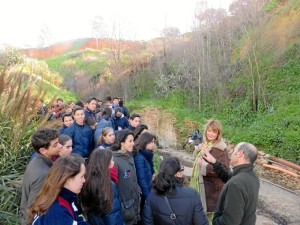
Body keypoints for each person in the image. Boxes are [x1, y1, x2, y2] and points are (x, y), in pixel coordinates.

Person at [202, 142, 260, 225]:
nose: (231, 153)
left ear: (240, 154)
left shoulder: (236, 184)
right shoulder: (252, 177)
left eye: (234, 150)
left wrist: (216, 221)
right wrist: (215, 162)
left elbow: (229, 222)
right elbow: (229, 177)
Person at [143, 156, 209, 225]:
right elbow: (201, 222)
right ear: (177, 174)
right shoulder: (192, 194)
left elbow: (147, 221)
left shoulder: (152, 194)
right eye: (182, 169)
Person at [28, 155, 88, 225]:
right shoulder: (57, 211)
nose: (84, 180)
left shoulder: (63, 198)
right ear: (68, 179)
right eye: (82, 176)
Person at [190, 119, 229, 221]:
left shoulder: (220, 149)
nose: (210, 134)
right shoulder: (206, 144)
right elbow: (197, 160)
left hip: (211, 190)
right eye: (209, 130)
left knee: (209, 218)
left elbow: (224, 171)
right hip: (198, 184)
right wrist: (197, 150)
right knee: (198, 214)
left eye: (214, 132)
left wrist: (204, 166)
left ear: (218, 133)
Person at [20, 128, 61, 225]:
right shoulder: (43, 174)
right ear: (43, 150)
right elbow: (33, 207)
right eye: (55, 145)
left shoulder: (37, 161)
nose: (60, 146)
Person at [81, 149, 125, 225]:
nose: (113, 163)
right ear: (105, 164)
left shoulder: (89, 181)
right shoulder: (108, 185)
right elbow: (113, 215)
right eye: (111, 161)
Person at [111, 130, 141, 225]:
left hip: (133, 207)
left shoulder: (129, 157)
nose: (133, 143)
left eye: (133, 141)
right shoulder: (114, 161)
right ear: (121, 142)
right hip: (124, 210)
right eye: (130, 141)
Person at [133, 132, 156, 218]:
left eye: (154, 142)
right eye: (151, 142)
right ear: (145, 142)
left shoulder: (147, 155)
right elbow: (141, 179)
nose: (153, 144)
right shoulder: (139, 157)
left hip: (149, 188)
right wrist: (147, 197)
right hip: (144, 193)